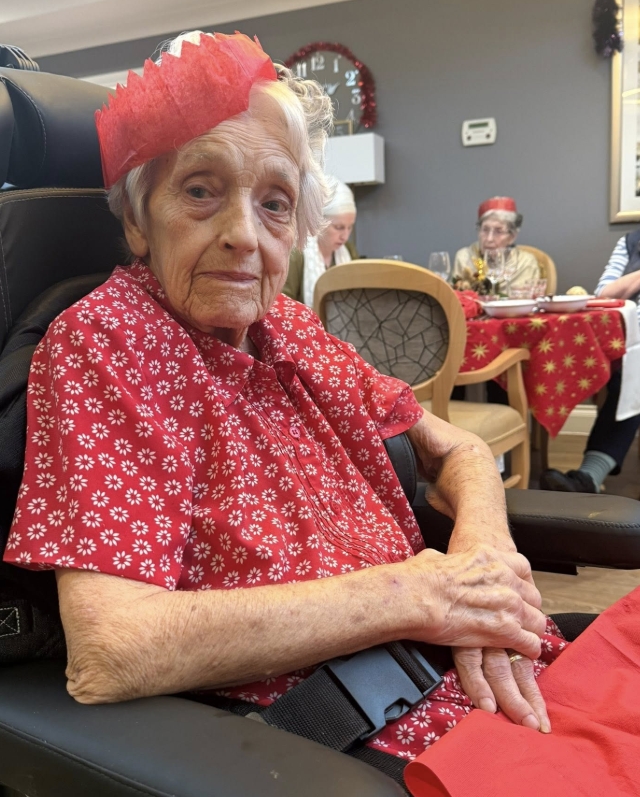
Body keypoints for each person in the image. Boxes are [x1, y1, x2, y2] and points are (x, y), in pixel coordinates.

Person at [3, 31, 560, 773]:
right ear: (137, 220)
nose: (243, 235)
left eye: (274, 203)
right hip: (370, 737)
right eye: (200, 190)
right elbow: (114, 648)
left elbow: (455, 446)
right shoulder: (108, 343)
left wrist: (483, 559)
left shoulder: (288, 326)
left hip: (487, 668)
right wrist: (422, 594)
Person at [540, 233, 640, 492]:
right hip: (629, 339)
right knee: (627, 372)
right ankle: (587, 478)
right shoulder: (630, 242)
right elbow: (603, 293)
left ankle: (588, 477)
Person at [282, 177, 358, 306]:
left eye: (350, 227)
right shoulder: (297, 255)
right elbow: (284, 306)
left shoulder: (349, 251)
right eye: (339, 227)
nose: (345, 236)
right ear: (318, 222)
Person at [454, 197, 540, 293]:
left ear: (512, 237)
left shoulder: (525, 263)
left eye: (498, 231)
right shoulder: (465, 258)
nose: (489, 239)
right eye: (485, 230)